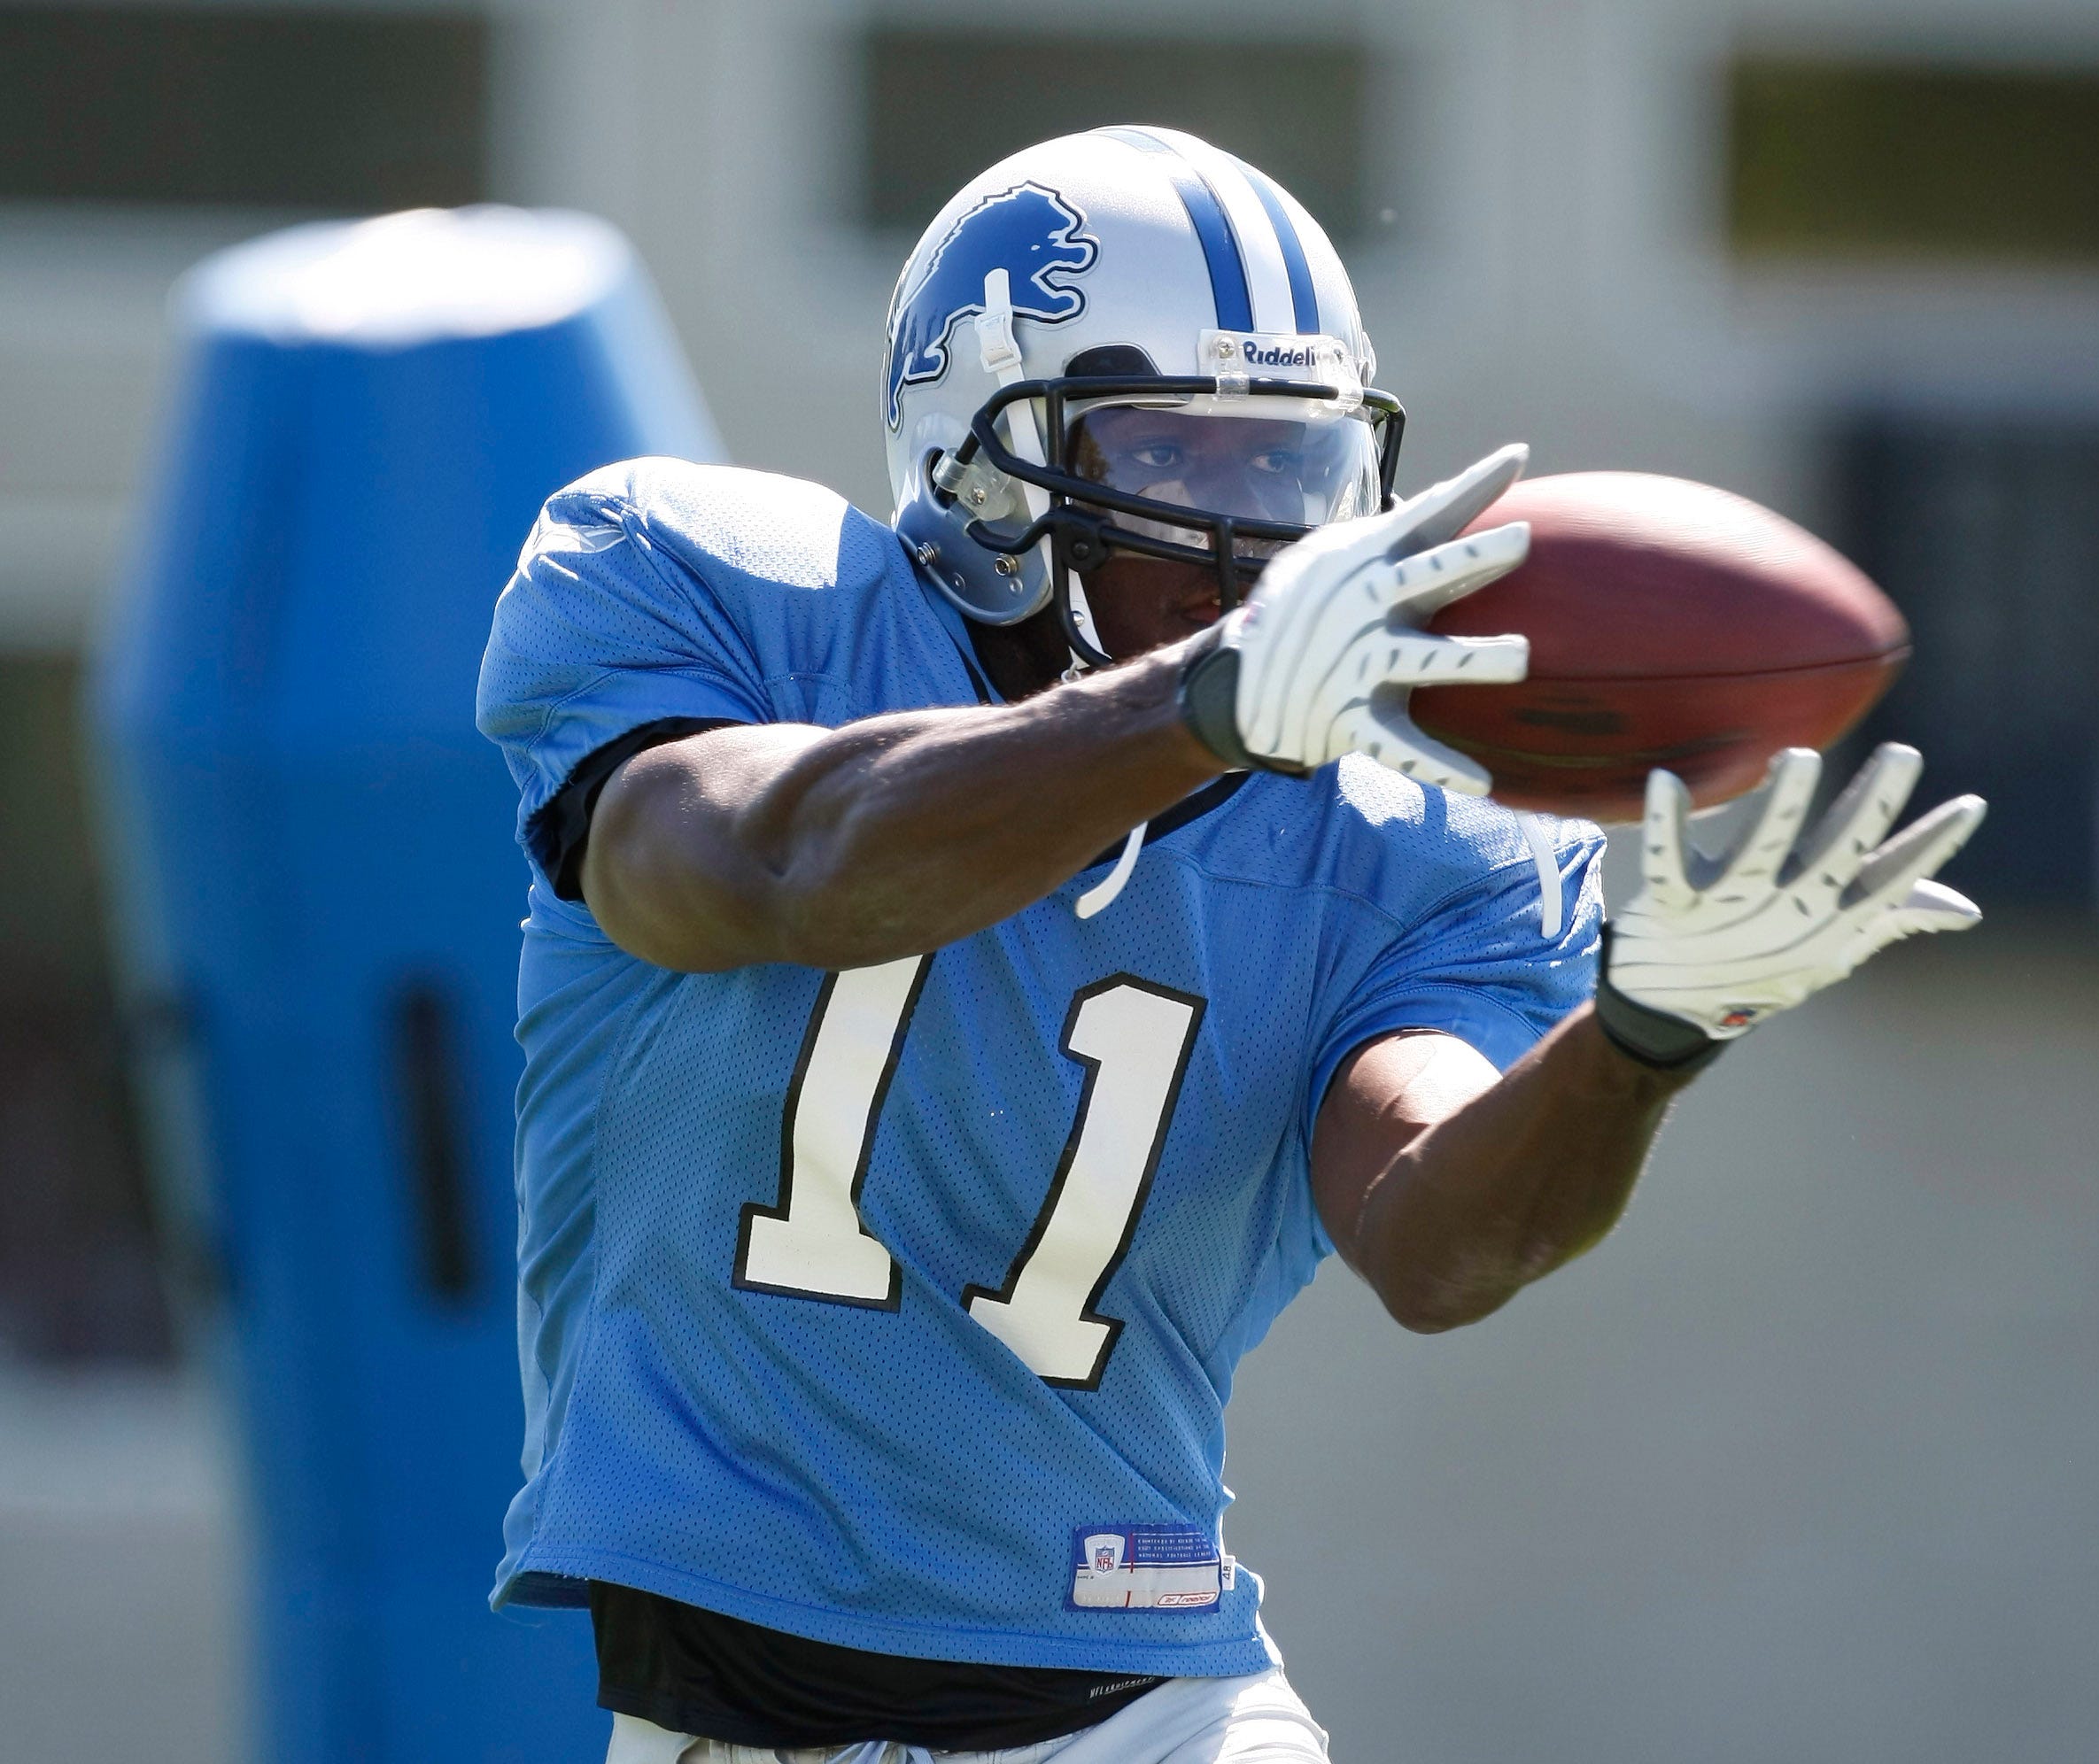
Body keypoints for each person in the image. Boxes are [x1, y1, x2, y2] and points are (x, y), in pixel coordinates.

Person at [475, 128, 1984, 1763]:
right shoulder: (724, 593)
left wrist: (1641, 1042)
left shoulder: (1414, 836)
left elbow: (1432, 1244)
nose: (1245, 530)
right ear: (976, 460)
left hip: (1146, 1707)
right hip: (726, 1711)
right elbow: (752, 869)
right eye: (1175, 457)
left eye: (1287, 467)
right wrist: (1191, 712)